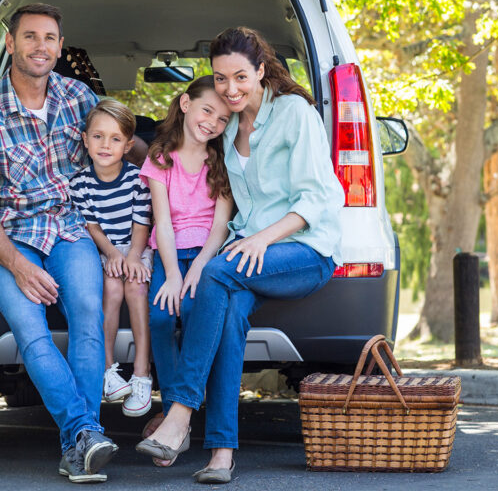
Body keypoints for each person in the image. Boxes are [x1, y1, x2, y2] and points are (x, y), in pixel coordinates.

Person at [136, 27, 345, 484]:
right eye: (220, 78)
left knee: (214, 274)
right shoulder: (228, 130)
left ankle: (179, 412)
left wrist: (261, 239)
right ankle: (222, 453)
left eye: (240, 77)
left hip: (303, 249)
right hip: (250, 253)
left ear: (261, 71)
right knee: (227, 316)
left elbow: (319, 198)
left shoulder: (295, 114)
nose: (230, 89)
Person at [0, 3, 119, 483]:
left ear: (60, 47)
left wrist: (169, 155)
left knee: (89, 314)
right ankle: (84, 435)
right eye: (30, 37)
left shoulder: (78, 96)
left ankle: (79, 442)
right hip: (10, 236)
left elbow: (118, 140)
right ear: (10, 44)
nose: (40, 46)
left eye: (49, 38)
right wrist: (20, 268)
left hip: (69, 227)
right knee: (32, 330)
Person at [135, 76, 234, 466]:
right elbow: (162, 221)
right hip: (170, 252)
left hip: (208, 253)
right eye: (207, 110)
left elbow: (221, 225)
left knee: (194, 316)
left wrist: (201, 269)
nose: (212, 122)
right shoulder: (160, 156)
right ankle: (174, 411)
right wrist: (174, 274)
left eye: (223, 119)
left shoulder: (220, 161)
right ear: (185, 104)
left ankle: (179, 419)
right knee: (160, 317)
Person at [68, 99, 154, 418]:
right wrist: (113, 254)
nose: (106, 145)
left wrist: (132, 255)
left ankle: (142, 374)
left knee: (135, 289)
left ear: (128, 145)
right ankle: (108, 372)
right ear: (85, 139)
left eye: (116, 139)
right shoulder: (80, 183)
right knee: (112, 291)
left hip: (136, 246)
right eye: (98, 137)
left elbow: (142, 222)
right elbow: (91, 226)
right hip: (106, 249)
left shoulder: (136, 179)